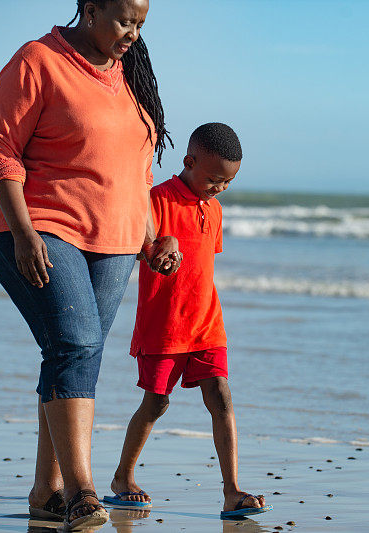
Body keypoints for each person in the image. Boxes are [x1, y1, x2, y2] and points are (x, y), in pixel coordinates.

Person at [0, 0, 181, 529]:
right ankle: (81, 492)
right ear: (89, 10)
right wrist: (23, 233)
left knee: (74, 354)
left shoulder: (132, 73)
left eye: (140, 25)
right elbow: (1, 152)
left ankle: (46, 491)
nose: (132, 35)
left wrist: (152, 238)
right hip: (42, 228)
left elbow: (135, 173)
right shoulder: (38, 60)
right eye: (123, 22)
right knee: (75, 344)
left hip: (114, 243)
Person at [104, 123, 273, 519]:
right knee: (157, 402)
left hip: (207, 324)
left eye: (227, 183)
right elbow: (131, 245)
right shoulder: (156, 199)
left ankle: (232, 491)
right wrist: (159, 247)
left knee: (221, 395)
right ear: (189, 162)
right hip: (163, 326)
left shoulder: (214, 209)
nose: (219, 189)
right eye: (214, 179)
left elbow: (203, 265)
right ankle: (122, 477)